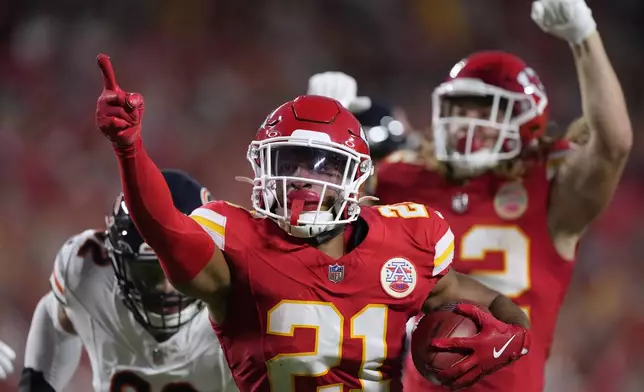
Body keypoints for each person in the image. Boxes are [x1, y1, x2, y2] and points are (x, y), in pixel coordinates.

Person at [93, 54, 533, 391]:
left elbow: (500, 306)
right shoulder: (237, 246)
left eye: (320, 167)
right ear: (262, 168)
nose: (302, 179)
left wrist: (509, 339)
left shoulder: (410, 241)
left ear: (356, 177)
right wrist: (129, 149)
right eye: (288, 162)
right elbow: (164, 228)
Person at [375, 1, 632, 391]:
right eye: (458, 108)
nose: (465, 124)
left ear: (526, 121)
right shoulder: (406, 178)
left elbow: (612, 144)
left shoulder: (549, 188)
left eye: (484, 112)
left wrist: (585, 38)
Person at [20, 170, 237, 392]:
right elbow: (55, 313)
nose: (166, 288)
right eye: (148, 273)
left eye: (179, 269)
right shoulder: (88, 273)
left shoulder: (245, 300)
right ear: (115, 258)